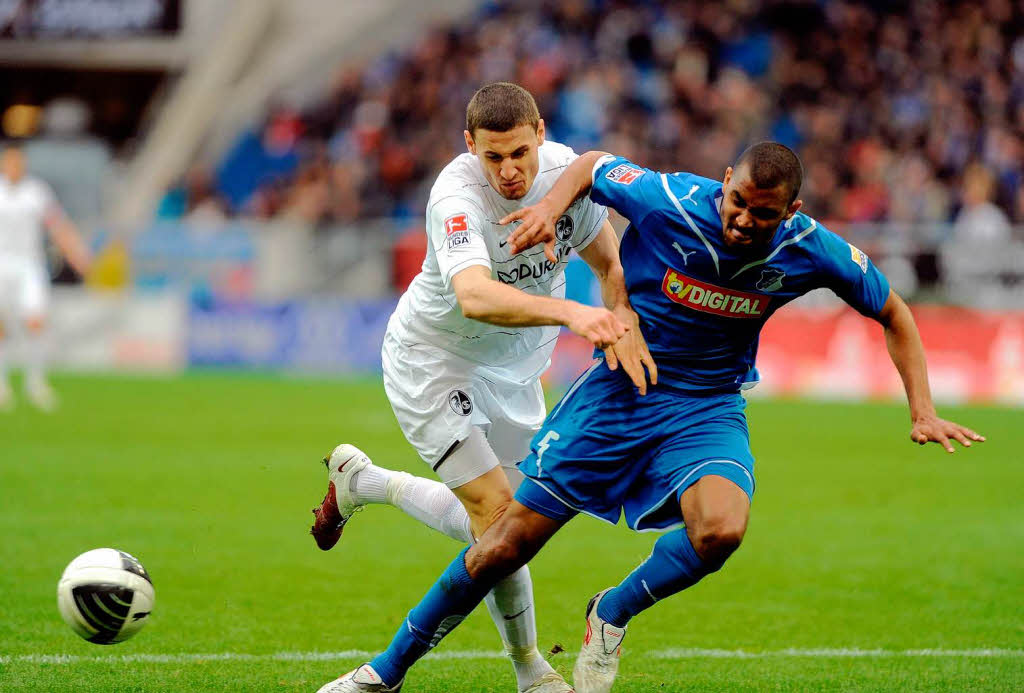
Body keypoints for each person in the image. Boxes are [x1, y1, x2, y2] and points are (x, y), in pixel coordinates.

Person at [320, 142, 985, 693]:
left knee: (722, 530)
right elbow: (591, 163)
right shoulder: (669, 199)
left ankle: (610, 612)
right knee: (502, 544)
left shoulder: (811, 250)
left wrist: (920, 409)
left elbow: (894, 311)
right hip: (617, 394)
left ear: (793, 210)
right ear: (725, 182)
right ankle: (384, 672)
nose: (746, 221)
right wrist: (551, 208)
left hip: (706, 406)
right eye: (738, 202)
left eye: (764, 214)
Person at [310, 83, 655, 693]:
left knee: (514, 523)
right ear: (470, 146)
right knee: (500, 521)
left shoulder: (566, 178)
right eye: (493, 157)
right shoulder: (456, 198)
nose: (510, 170)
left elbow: (609, 266)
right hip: (435, 361)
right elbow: (472, 297)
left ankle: (366, 482)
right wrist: (574, 316)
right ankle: (530, 672)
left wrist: (621, 322)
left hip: (518, 370)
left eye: (520, 152)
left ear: (540, 134)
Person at [0, 144, 92, 411]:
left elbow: (57, 226)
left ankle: (35, 382)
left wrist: (78, 254)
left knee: (36, 320)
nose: (14, 167)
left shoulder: (36, 192)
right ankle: (2, 384)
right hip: (2, 264)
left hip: (30, 263)